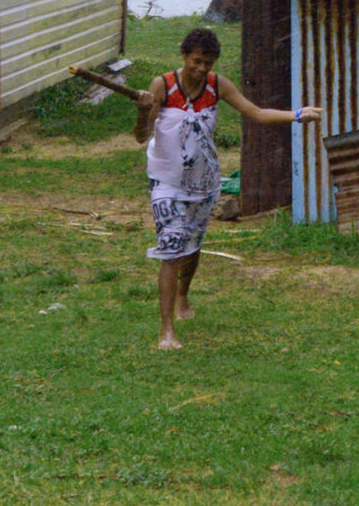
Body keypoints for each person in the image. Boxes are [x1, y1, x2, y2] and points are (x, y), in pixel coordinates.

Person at [132, 28, 319, 350]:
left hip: (204, 183)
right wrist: (142, 108)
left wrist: (297, 115)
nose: (201, 68)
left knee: (191, 246)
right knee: (171, 248)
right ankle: (166, 331)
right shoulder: (162, 85)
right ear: (184, 56)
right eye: (196, 61)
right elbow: (140, 136)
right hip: (166, 181)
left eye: (208, 62)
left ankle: (183, 295)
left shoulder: (217, 85)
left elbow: (256, 113)